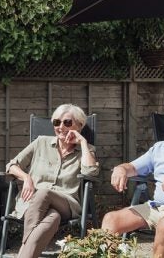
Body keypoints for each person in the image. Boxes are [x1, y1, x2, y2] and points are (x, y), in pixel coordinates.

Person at [5, 104, 99, 258]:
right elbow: (12, 165)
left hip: (66, 203)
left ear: (79, 126)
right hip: (33, 203)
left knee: (44, 192)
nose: (61, 127)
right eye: (56, 122)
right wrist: (26, 177)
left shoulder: (87, 150)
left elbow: (91, 172)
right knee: (53, 217)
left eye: (67, 123)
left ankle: (22, 251)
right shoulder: (40, 142)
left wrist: (82, 142)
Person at [103, 97, 164, 257]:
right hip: (157, 207)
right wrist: (121, 169)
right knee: (111, 219)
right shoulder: (160, 148)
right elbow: (133, 167)